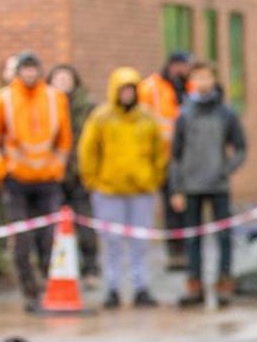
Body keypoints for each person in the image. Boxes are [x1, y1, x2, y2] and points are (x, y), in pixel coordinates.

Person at [0, 51, 73, 312]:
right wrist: (2, 170)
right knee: (21, 240)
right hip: (16, 180)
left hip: (47, 180)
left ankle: (50, 285)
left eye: (33, 69)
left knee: (49, 237)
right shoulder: (3, 99)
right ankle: (30, 290)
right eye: (25, 69)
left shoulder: (54, 98)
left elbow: (64, 139)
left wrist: (57, 167)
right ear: (18, 72)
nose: (29, 74)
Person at [78, 67, 165, 309]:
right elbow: (88, 150)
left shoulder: (147, 118)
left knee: (140, 242)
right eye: (123, 90)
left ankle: (141, 286)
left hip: (141, 190)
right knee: (112, 242)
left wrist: (153, 179)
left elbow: (159, 152)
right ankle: (112, 288)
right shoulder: (101, 118)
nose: (127, 94)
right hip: (109, 191)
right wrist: (93, 181)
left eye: (131, 89)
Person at [169, 63, 247, 307]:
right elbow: (176, 154)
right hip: (191, 185)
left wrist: (225, 170)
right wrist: (176, 187)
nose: (202, 82)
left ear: (214, 79)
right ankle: (195, 283)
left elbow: (240, 148)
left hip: (218, 186)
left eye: (206, 77)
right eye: (198, 77)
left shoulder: (226, 113)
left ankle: (224, 282)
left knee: (223, 235)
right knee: (193, 237)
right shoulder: (184, 114)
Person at [139, 51, 194, 270]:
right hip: (163, 157)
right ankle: (175, 252)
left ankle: (189, 251)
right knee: (171, 207)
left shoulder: (190, 88)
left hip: (187, 158)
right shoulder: (150, 88)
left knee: (188, 206)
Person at [48, 64, 100, 287]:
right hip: (52, 176)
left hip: (79, 175)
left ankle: (91, 268)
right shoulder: (45, 105)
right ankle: (58, 271)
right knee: (54, 228)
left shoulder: (87, 107)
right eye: (58, 78)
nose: (62, 82)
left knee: (85, 225)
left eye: (66, 78)